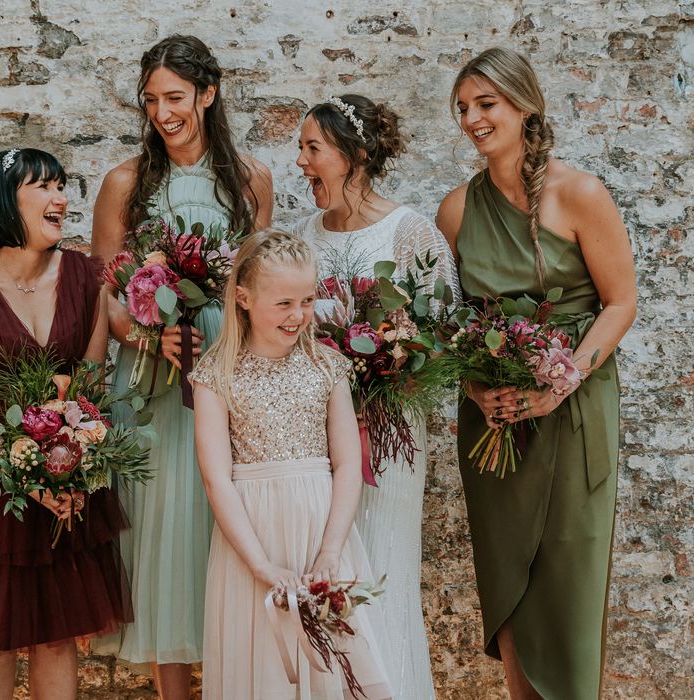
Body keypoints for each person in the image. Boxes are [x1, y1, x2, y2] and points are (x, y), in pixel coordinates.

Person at [435, 47, 636, 699]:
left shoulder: (579, 193)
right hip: (496, 422)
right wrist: (475, 386)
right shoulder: (455, 211)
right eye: (463, 108)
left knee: (569, 587)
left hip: (574, 412)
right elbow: (452, 325)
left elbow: (621, 303)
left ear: (525, 106)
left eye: (486, 104)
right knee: (509, 582)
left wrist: (565, 378)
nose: (472, 118)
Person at [89, 34, 272, 699]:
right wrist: (148, 337)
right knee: (166, 529)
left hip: (225, 371)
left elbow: (255, 288)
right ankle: (175, 692)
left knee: (227, 522)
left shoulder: (252, 179)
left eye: (175, 98)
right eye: (151, 101)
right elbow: (105, 294)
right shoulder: (126, 183)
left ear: (208, 94)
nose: (163, 113)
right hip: (153, 380)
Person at [0, 148, 130, 699]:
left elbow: (88, 381)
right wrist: (26, 474)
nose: (60, 197)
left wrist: (70, 465)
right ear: (2, 202)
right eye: (42, 187)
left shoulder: (88, 277)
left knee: (56, 637)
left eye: (61, 185)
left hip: (65, 470)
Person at [294, 94, 460, 699]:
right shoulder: (302, 235)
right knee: (326, 571)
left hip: (388, 435)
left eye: (313, 148)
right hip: (314, 439)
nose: (301, 162)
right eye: (301, 148)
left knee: (382, 571)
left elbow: (442, 339)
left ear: (355, 155)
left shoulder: (410, 231)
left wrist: (390, 363)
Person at [189, 228, 391, 699]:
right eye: (283, 303)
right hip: (252, 542)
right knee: (264, 667)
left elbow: (346, 465)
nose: (298, 315)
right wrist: (262, 567)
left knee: (339, 663)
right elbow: (216, 480)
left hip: (323, 531)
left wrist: (330, 551)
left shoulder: (328, 366)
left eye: (306, 300)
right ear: (242, 297)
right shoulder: (215, 377)